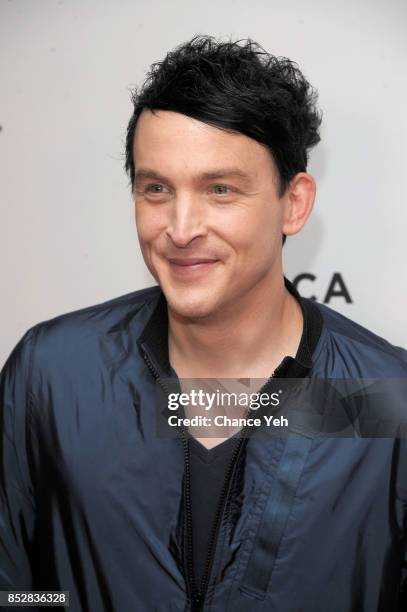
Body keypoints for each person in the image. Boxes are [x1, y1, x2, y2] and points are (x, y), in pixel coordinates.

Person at [1, 34, 406, 612]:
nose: (181, 227)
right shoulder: (53, 374)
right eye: (156, 189)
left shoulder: (386, 398)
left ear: (294, 202)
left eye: (220, 189)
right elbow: (15, 588)